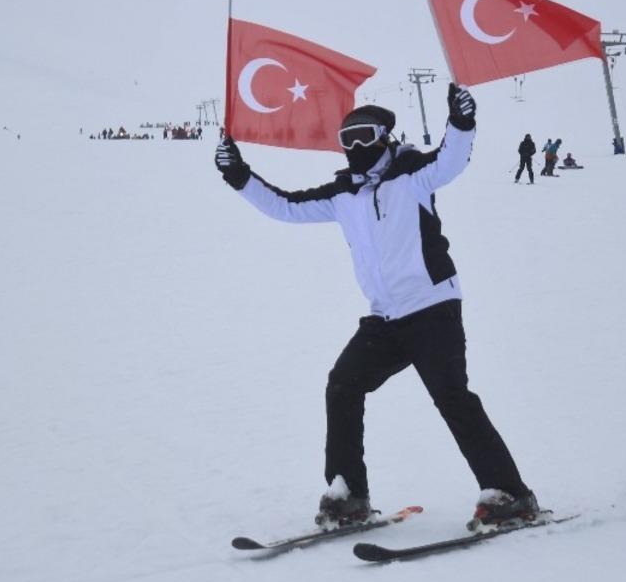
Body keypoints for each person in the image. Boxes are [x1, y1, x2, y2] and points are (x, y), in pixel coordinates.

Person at [214, 84, 538, 532]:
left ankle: (509, 493)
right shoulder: (343, 194)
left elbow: (452, 159)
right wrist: (238, 175)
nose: (356, 147)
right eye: (347, 139)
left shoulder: (413, 175)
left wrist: (461, 120)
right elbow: (285, 206)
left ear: (385, 137)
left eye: (365, 136)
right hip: (384, 318)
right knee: (343, 385)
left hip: (432, 307)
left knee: (452, 397)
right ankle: (348, 493)